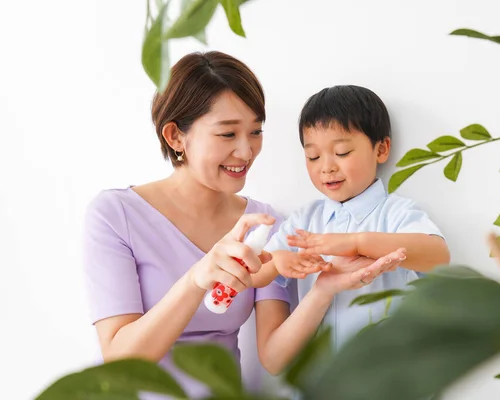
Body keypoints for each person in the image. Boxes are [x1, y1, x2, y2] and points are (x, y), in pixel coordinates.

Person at [82, 52, 396, 399]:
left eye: (255, 131)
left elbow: (275, 355)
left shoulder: (263, 222)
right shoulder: (116, 214)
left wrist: (323, 288)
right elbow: (120, 360)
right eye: (228, 134)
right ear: (175, 137)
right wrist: (196, 279)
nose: (246, 152)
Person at [254, 85, 451, 375]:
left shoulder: (396, 213)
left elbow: (438, 255)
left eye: (342, 152)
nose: (326, 167)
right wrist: (278, 262)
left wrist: (357, 243)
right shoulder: (302, 222)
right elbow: (255, 274)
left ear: (381, 149)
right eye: (313, 157)